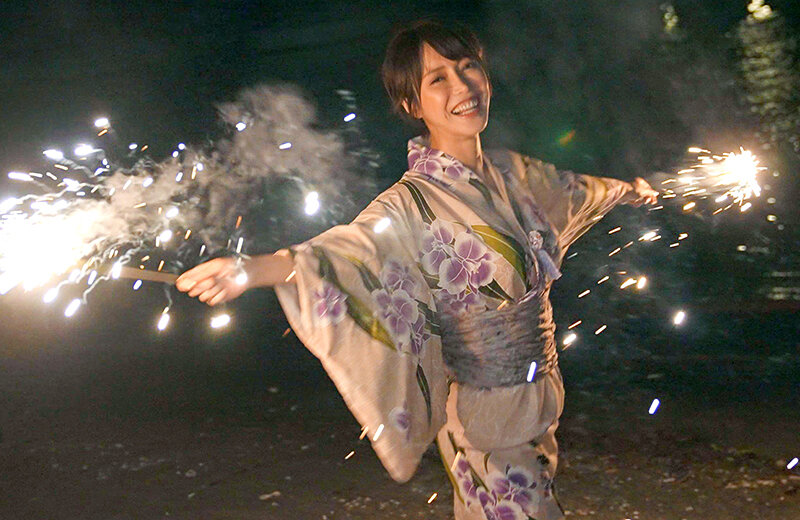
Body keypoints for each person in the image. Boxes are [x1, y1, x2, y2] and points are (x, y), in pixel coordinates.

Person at [176, 19, 657, 520]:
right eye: (438, 79)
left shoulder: (511, 173)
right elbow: (349, 253)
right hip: (484, 416)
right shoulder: (410, 205)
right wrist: (253, 269)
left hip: (538, 398)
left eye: (468, 67)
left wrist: (627, 191)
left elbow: (573, 191)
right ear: (412, 104)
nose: (463, 86)